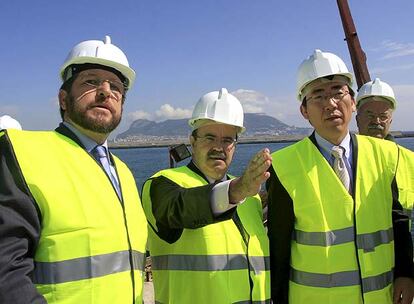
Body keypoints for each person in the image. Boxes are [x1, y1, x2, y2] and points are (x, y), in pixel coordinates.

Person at [0, 36, 147, 303]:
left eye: (115, 87)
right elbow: (5, 271)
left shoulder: (123, 173)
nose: (105, 91)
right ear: (63, 99)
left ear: (122, 106)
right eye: (91, 81)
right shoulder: (22, 152)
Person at [266, 49, 414, 304]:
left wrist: (406, 273)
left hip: (381, 296)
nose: (330, 103)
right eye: (318, 96)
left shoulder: (388, 154)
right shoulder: (282, 165)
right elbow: (278, 246)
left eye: (338, 92)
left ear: (353, 102)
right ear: (304, 111)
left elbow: (398, 219)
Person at [141, 88, 272, 303]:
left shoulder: (252, 199)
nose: (218, 147)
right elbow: (180, 209)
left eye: (227, 140)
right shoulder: (162, 184)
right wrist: (238, 190)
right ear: (192, 141)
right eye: (209, 137)